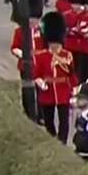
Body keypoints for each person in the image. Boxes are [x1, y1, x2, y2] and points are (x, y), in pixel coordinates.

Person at [32, 10, 78, 143]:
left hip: (63, 90)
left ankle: (62, 142)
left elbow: (71, 74)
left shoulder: (67, 55)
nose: (55, 46)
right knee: (48, 120)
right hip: (48, 91)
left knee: (64, 120)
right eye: (52, 43)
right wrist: (41, 83)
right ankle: (51, 139)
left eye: (56, 43)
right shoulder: (40, 56)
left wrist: (74, 90)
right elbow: (36, 74)